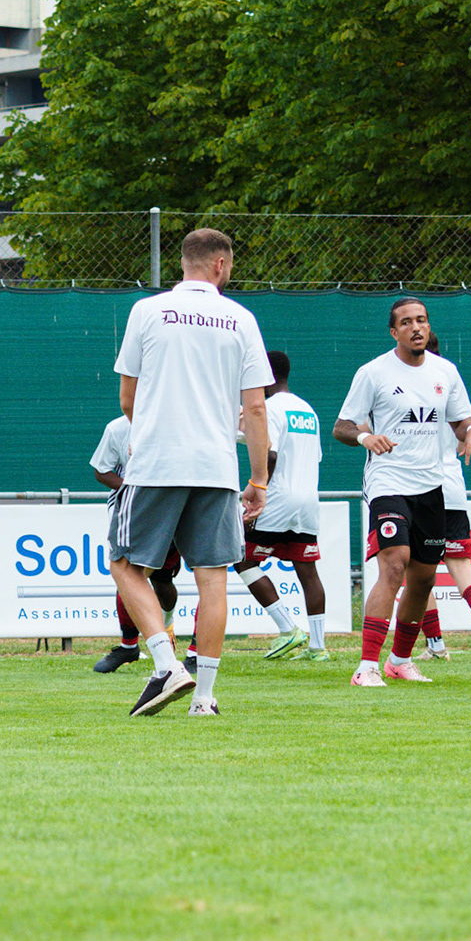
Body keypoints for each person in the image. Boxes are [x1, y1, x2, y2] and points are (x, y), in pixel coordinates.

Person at [111, 228, 273, 718]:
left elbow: (126, 398)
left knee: (125, 564)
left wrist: (160, 432)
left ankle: (165, 663)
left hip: (159, 461)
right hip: (217, 467)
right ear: (221, 265)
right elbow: (257, 410)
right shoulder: (242, 319)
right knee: (214, 580)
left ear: (184, 263)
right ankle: (203, 698)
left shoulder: (147, 310)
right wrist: (259, 479)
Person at [335, 297, 471, 687]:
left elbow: (461, 419)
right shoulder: (374, 373)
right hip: (388, 482)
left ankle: (399, 660)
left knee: (423, 579)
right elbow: (342, 426)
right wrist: (366, 436)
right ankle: (366, 665)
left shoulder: (446, 372)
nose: (416, 327)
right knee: (395, 563)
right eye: (407, 322)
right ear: (394, 331)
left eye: (421, 320)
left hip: (432, 487)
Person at [231, 350, 325, 662]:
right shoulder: (307, 410)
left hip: (277, 497)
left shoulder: (268, 408)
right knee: (307, 570)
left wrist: (255, 487)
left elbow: (269, 454)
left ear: (265, 377)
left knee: (242, 558)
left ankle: (288, 629)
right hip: (308, 500)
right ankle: (318, 648)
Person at [414, 334, 471, 664]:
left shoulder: (407, 384)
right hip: (453, 488)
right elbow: (468, 426)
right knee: (462, 564)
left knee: (417, 572)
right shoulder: (450, 382)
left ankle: (435, 644)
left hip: (420, 490)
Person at [89, 413, 181, 674]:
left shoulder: (177, 420)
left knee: (163, 580)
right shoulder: (118, 428)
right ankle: (129, 646)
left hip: (172, 510)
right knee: (128, 575)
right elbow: (101, 470)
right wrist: (132, 491)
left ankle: (171, 631)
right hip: (132, 513)